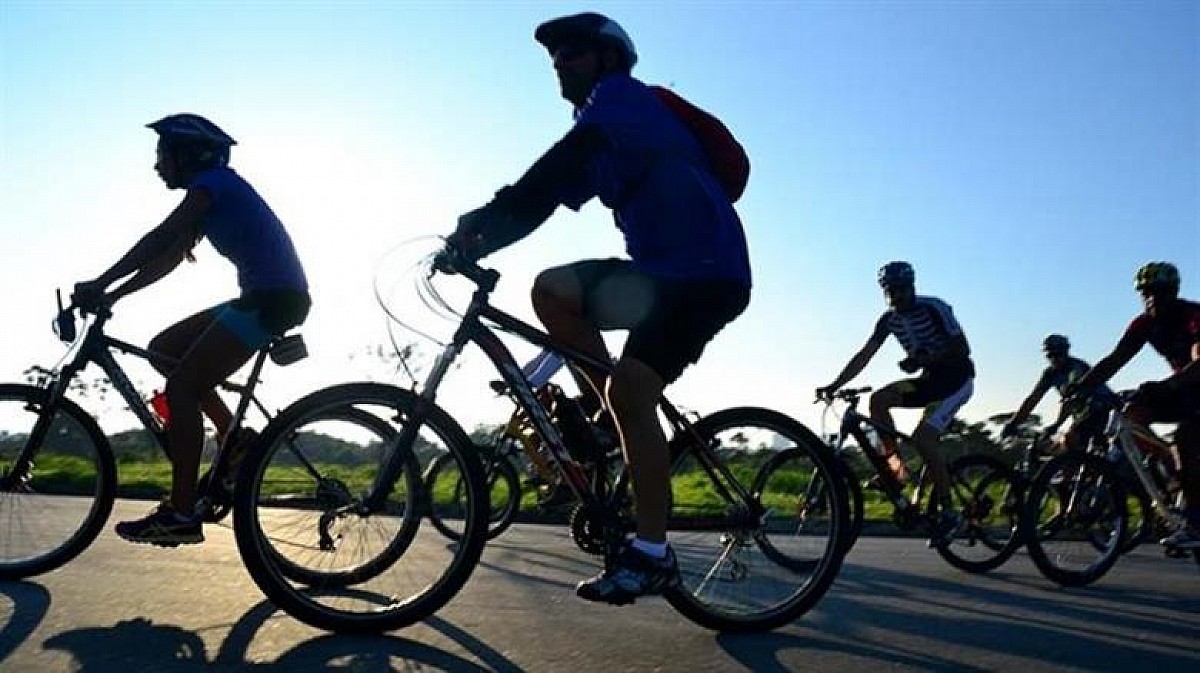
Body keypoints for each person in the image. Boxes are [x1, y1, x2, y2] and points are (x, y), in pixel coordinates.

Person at [447, 12, 751, 604]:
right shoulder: (600, 128)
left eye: (573, 53)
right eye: (555, 56)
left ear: (607, 59)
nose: (559, 63)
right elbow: (550, 199)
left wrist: (478, 228)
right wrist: (481, 239)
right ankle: (609, 420)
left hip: (706, 274)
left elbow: (545, 179)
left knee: (633, 393)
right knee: (553, 290)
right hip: (659, 274)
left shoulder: (624, 103)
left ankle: (654, 554)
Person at [72, 114, 311, 546]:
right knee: (164, 349)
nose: (157, 166)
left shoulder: (213, 185)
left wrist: (99, 282)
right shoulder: (214, 192)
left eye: (163, 155)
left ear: (188, 156)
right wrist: (113, 296)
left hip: (273, 300)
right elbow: (167, 257)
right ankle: (233, 437)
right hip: (264, 295)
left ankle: (181, 513)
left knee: (181, 388)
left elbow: (160, 236)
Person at [816, 261, 975, 547]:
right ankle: (894, 469)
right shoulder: (888, 320)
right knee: (879, 400)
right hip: (929, 381)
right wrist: (835, 385)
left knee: (924, 440)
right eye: (891, 291)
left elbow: (963, 349)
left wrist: (926, 359)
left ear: (912, 287)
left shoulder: (933, 308)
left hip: (956, 381)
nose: (897, 296)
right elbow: (865, 354)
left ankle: (950, 511)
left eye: (902, 289)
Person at [1068, 262, 1200, 550]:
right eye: (1146, 293)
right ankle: (1170, 467)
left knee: (1187, 437)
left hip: (1194, 382)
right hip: (1185, 389)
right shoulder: (1144, 323)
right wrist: (1083, 386)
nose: (1152, 299)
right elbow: (1116, 358)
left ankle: (1195, 520)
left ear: (1174, 292)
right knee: (1131, 414)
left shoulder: (1192, 315)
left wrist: (1170, 385)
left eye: (1160, 292)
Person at [1001, 334, 1117, 453]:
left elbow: (1070, 399)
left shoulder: (1076, 368)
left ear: (1066, 352)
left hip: (1104, 408)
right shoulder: (1050, 374)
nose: (1055, 359)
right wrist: (1014, 422)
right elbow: (1033, 399)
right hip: (1083, 413)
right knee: (1064, 451)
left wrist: (1056, 425)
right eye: (1050, 355)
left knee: (1072, 442)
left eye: (1058, 354)